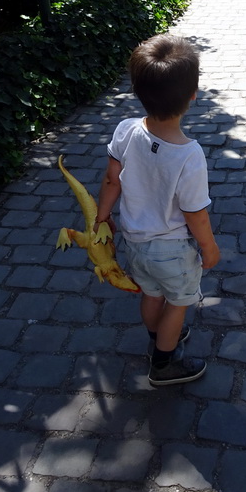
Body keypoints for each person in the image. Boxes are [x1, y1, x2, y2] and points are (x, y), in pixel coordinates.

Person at [95, 34, 220, 386]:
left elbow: (110, 181)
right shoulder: (189, 155)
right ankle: (164, 365)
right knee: (178, 302)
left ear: (138, 90)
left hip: (135, 241)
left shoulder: (125, 130)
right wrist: (209, 248)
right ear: (193, 95)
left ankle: (158, 339)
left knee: (151, 294)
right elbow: (195, 213)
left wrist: (101, 217)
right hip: (172, 250)